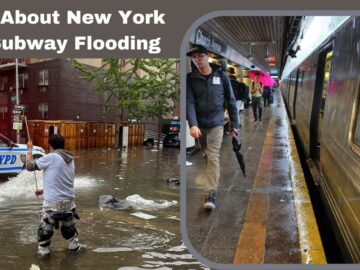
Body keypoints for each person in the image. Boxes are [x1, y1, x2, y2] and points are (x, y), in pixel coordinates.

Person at [186, 44, 239, 210]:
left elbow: (230, 101)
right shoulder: (190, 78)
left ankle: (210, 193)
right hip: (200, 126)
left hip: (216, 124)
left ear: (207, 57)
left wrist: (234, 124)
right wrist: (193, 124)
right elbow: (189, 102)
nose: (197, 60)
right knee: (206, 156)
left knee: (212, 155)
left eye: (200, 56)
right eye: (194, 57)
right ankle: (211, 178)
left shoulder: (221, 76)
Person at [26, 134, 81, 256]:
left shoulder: (51, 157)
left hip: (52, 206)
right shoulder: (70, 159)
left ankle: (44, 258)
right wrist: (44, 190)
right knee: (70, 232)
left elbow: (29, 166)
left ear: (50, 145)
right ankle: (74, 252)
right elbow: (63, 181)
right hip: (69, 205)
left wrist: (29, 149)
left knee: (44, 234)